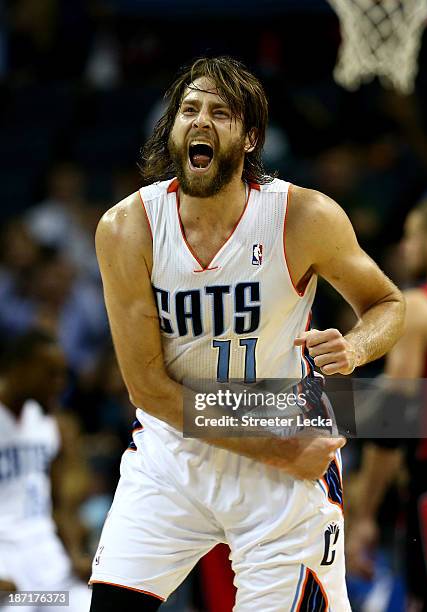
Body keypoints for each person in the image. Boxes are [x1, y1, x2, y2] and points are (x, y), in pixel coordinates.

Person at [89, 56, 404, 611]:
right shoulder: (128, 229)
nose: (200, 121)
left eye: (220, 112)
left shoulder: (303, 217)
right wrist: (277, 447)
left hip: (279, 465)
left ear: (251, 138)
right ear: (173, 131)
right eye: (189, 110)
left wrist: (353, 348)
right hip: (175, 457)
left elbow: (387, 304)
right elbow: (148, 388)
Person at [346, 197, 427, 611]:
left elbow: (397, 415)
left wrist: (364, 513)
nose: (404, 248)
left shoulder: (418, 307)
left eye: (411, 238)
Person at [0, 330, 91, 612]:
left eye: (62, 374)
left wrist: (76, 555)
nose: (59, 384)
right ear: (18, 369)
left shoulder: (48, 425)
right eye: (50, 374)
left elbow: (59, 502)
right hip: (8, 578)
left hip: (50, 569)